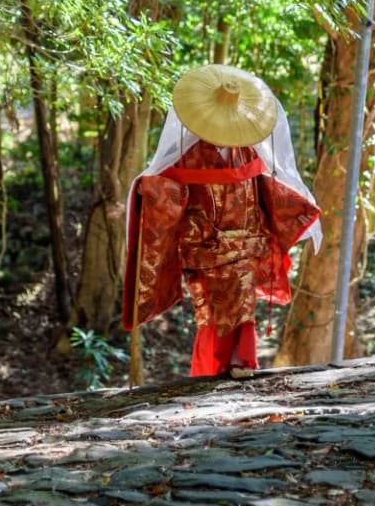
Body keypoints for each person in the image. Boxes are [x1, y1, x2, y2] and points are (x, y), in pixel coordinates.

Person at [121, 64, 322, 376]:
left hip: (247, 246)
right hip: (206, 248)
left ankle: (242, 363)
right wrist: (150, 189)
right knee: (212, 313)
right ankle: (213, 369)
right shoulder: (190, 154)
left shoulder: (248, 151)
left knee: (243, 305)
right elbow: (169, 191)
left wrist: (299, 208)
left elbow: (267, 189)